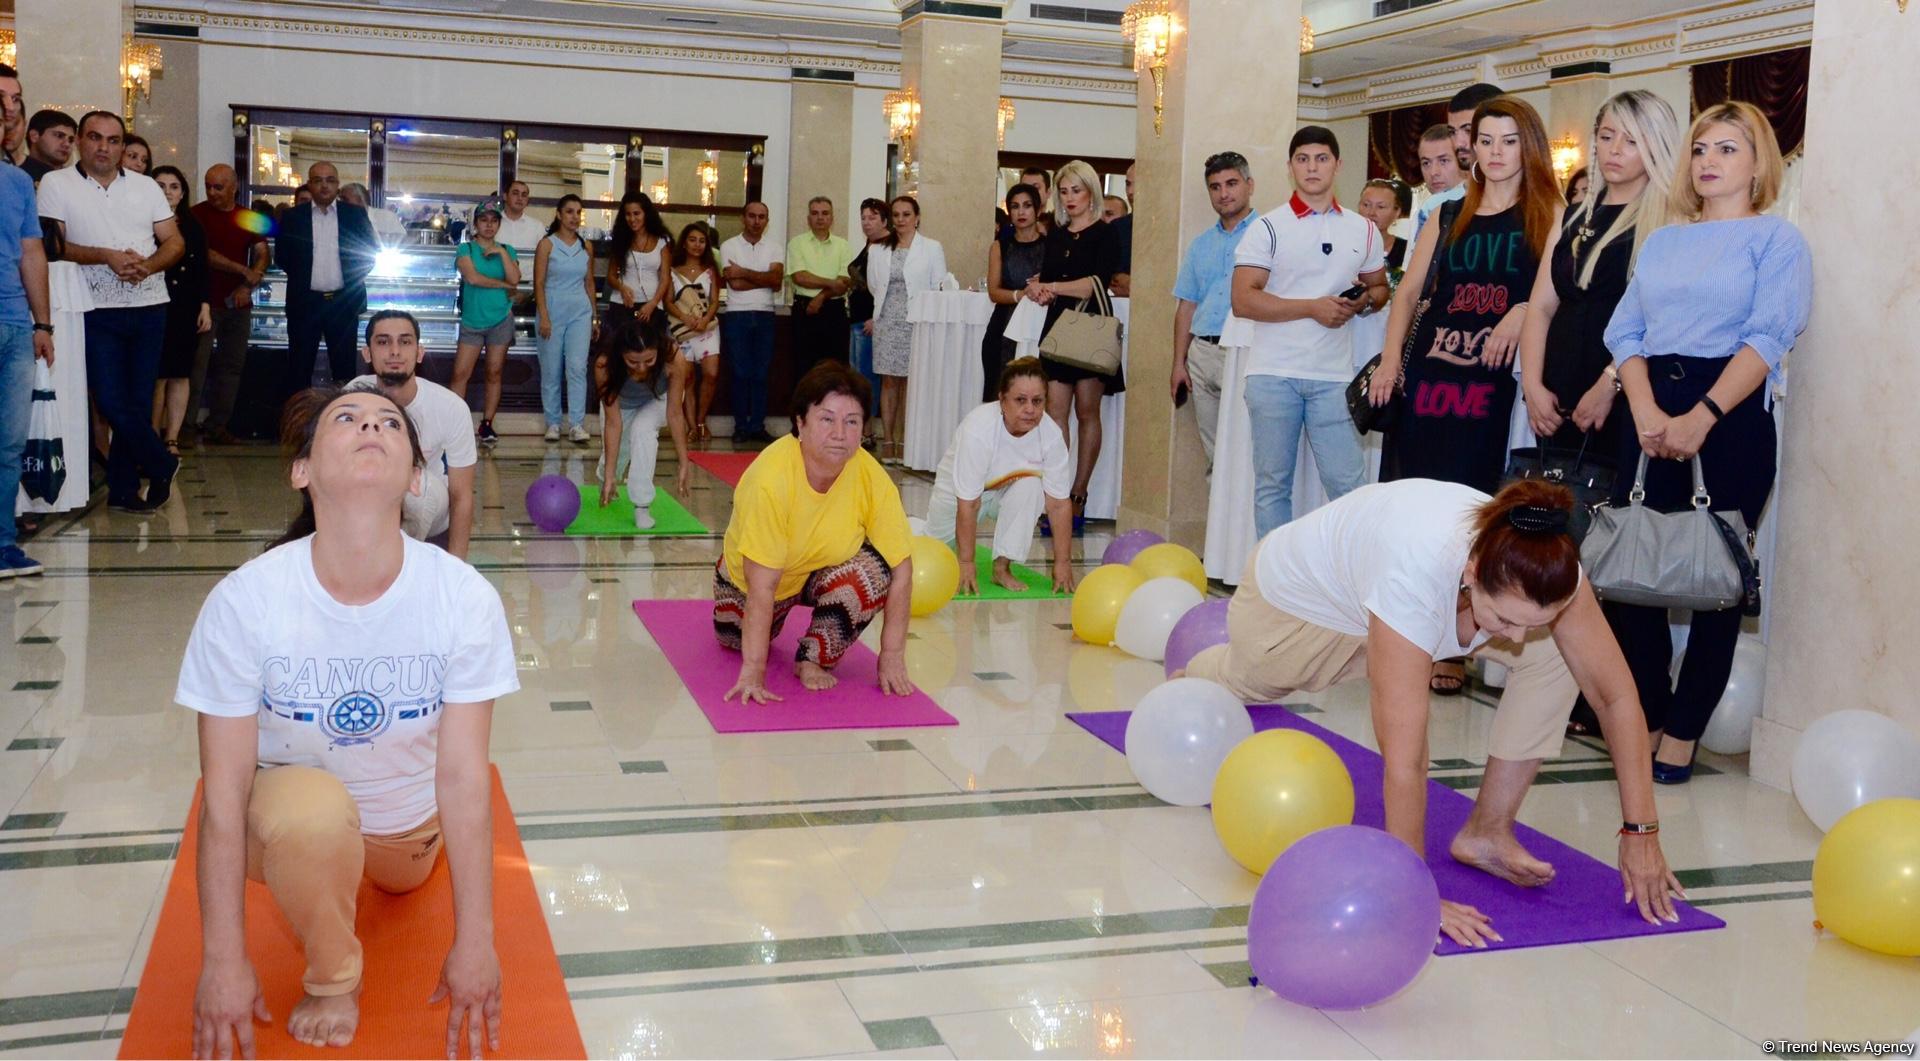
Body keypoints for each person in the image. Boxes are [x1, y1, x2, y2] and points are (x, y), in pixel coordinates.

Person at [1183, 478, 1683, 945]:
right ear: (1472, 573)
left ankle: (1487, 832)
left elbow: (1614, 696)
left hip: (1391, 596)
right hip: (1296, 609)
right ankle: (1191, 678)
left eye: (1533, 621)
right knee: (1248, 681)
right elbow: (1405, 758)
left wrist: (1642, 832)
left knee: (1553, 655)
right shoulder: (1418, 565)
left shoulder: (1548, 569)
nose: (1512, 637)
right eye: (1505, 618)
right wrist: (1415, 895)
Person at [178, 385, 516, 1058]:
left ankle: (363, 868)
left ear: (417, 477)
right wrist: (222, 958)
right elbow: (222, 794)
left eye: (391, 422)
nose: (371, 423)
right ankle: (334, 981)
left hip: (408, 828)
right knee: (314, 813)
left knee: (391, 856)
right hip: (284, 818)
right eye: (348, 418)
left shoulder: (462, 597)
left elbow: (462, 776)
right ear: (301, 470)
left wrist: (476, 939)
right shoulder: (246, 600)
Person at [1601, 100, 1812, 784]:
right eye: (1701, 150)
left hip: (1732, 419)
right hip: (1650, 410)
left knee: (1716, 580)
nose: (1709, 162)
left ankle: (1682, 734)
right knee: (1631, 580)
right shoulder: (1663, 241)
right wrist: (1642, 405)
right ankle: (1655, 713)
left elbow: (1768, 334)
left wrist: (1704, 414)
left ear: (1758, 164)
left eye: (1727, 148)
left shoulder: (1777, 242)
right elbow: (1624, 331)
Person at [1371, 95, 1560, 695]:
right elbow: (1406, 295)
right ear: (1469, 148)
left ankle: (1460, 641)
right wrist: (1388, 362)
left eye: (1509, 141)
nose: (1496, 153)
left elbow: (1559, 293)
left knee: (1476, 509)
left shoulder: (1551, 214)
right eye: (1485, 141)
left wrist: (1522, 310)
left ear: (1528, 146)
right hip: (1430, 376)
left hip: (1494, 388)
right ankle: (1412, 632)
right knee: (1416, 503)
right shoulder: (1447, 212)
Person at [716, 361, 914, 701]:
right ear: (800, 423)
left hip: (816, 571)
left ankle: (812, 658)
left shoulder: (869, 474)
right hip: (752, 587)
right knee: (733, 638)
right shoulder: (771, 479)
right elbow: (761, 586)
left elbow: (902, 569)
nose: (840, 433)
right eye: (827, 419)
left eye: (851, 422)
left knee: (874, 571)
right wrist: (754, 672)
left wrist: (892, 654)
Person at [1230, 126, 1388, 539]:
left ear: (1337, 165)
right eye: (1303, 159)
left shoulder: (1363, 229)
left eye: (1321, 159)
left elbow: (1380, 288)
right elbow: (1243, 300)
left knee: (1348, 488)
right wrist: (1311, 308)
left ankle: (1350, 583)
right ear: (1290, 167)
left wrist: (1362, 302)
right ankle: (1274, 587)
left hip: (1335, 376)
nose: (1312, 167)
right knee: (1271, 487)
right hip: (1273, 373)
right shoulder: (1267, 227)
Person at [35, 110, 183, 513]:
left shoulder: (145, 187)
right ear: (81, 141)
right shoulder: (56, 183)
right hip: (94, 307)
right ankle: (161, 462)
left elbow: (173, 242)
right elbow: (53, 246)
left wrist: (148, 265)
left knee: (134, 402)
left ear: (122, 146)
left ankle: (121, 490)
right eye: (96, 138)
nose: (104, 147)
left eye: (114, 140)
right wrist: (105, 257)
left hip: (150, 304)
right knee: (111, 399)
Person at [1520, 91, 1681, 458]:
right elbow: (1541, 307)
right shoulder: (1571, 215)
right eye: (1607, 137)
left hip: (1631, 393)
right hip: (1556, 395)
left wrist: (1611, 383)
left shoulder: (1671, 218)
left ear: (1656, 145)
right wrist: (1532, 385)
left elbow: (1662, 319)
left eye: (1631, 140)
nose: (1614, 150)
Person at [1026, 160, 1124, 532]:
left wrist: (1054, 286)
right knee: (1054, 415)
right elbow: (1051, 277)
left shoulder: (1104, 233)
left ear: (1090, 192)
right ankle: (1056, 495)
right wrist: (1038, 286)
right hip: (1058, 327)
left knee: (1087, 413)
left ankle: (1078, 494)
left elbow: (1093, 284)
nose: (1070, 198)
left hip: (1090, 327)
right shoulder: (1057, 235)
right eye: (1064, 191)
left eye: (1076, 191)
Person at [924, 358, 1076, 595]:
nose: (1030, 409)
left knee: (1032, 486)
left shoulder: (1051, 436)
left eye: (1037, 401)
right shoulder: (979, 429)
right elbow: (969, 503)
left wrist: (1063, 563)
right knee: (931, 550)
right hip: (958, 496)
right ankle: (911, 527)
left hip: (1004, 492)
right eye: (1020, 400)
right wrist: (965, 564)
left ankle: (1002, 567)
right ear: (1002, 400)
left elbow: (1058, 505)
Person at [347, 310, 478, 559]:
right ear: (367, 353)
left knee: (416, 492)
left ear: (419, 352)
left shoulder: (450, 407)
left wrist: (458, 568)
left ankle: (398, 567)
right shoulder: (352, 398)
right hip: (369, 497)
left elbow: (462, 495)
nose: (395, 351)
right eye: (383, 342)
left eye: (405, 342)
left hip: (428, 500)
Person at [0, 68, 56, 578]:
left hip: (16, 322)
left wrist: (43, 324)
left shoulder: (17, 182)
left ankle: (2, 541)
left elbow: (31, 253)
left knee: (10, 440)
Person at [1171, 151, 1257, 469]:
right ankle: (1218, 521)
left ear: (1249, 185)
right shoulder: (1200, 244)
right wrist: (1178, 363)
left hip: (1246, 352)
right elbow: (1187, 306)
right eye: (1215, 186)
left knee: (1247, 451)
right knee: (1215, 455)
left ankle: (1245, 521)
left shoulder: (1267, 235)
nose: (1224, 193)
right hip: (1202, 355)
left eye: (1231, 183)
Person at [275, 161, 378, 399]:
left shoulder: (354, 214)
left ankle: (346, 425)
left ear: (337, 185)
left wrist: (351, 281)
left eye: (330, 180)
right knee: (299, 370)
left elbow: (369, 253)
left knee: (344, 372)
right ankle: (298, 430)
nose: (324, 186)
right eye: (318, 180)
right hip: (305, 303)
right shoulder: (292, 217)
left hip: (343, 303)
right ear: (309, 184)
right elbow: (282, 256)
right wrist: (304, 278)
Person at [190, 164, 269, 446]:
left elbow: (262, 253)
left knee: (231, 367)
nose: (212, 192)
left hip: (237, 304)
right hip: (203, 303)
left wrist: (249, 284)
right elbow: (203, 254)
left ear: (234, 187)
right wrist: (242, 270)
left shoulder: (249, 217)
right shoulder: (195, 215)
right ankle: (185, 428)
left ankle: (218, 425)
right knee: (196, 367)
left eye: (218, 187)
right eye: (208, 186)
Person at [863, 195, 946, 464]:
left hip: (917, 321)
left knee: (911, 382)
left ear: (917, 217)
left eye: (906, 214)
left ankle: (906, 440)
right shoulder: (878, 249)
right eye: (896, 215)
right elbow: (875, 286)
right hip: (887, 319)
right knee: (889, 381)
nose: (901, 220)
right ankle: (888, 440)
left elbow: (938, 285)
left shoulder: (932, 248)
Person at [593, 313, 691, 531]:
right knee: (617, 459)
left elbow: (674, 413)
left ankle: (642, 505)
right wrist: (609, 475)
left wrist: (684, 461)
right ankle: (606, 480)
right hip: (622, 407)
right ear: (621, 355)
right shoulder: (604, 364)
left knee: (643, 430)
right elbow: (613, 423)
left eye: (649, 360)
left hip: (659, 400)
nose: (641, 368)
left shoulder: (673, 357)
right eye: (632, 362)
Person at [147, 165, 210, 457]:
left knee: (181, 373)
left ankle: (171, 437)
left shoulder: (193, 224)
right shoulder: (143, 220)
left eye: (174, 186)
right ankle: (151, 434)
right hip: (153, 304)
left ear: (182, 192)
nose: (167, 192)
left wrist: (205, 305)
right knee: (157, 374)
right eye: (160, 186)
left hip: (185, 307)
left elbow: (201, 268)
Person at [449, 195, 521, 449]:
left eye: (493, 221)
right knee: (461, 373)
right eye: (483, 220)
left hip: (500, 318)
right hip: (472, 320)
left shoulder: (507, 250)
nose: (489, 225)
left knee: (494, 372)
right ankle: (455, 423)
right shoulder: (465, 249)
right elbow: (473, 278)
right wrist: (503, 285)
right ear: (476, 224)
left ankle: (487, 423)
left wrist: (501, 253)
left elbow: (515, 278)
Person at [534, 193, 597, 445]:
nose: (574, 217)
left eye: (578, 212)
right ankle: (552, 422)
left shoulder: (586, 246)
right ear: (559, 214)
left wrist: (595, 316)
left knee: (577, 367)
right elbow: (538, 282)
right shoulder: (547, 244)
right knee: (551, 369)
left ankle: (577, 424)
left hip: (580, 311)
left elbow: (589, 282)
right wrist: (545, 317)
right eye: (569, 211)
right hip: (552, 307)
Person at [719, 200, 783, 443]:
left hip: (766, 313)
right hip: (737, 313)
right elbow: (733, 284)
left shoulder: (775, 247)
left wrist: (743, 272)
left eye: (762, 217)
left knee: (761, 373)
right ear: (743, 218)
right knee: (740, 372)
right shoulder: (729, 246)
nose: (757, 221)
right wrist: (764, 277)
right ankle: (741, 426)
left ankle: (757, 425)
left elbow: (776, 281)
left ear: (767, 220)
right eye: (752, 216)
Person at [1411, 83, 1505, 243]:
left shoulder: (1541, 205)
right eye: (1452, 132)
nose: (1458, 142)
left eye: (1468, 130)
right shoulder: (1439, 207)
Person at [983, 184, 1047, 402]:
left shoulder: (1051, 247)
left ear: (1038, 210)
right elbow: (993, 292)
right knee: (1000, 393)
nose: (1021, 212)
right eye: (1015, 206)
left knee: (1037, 393)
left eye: (1027, 206)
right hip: (1003, 328)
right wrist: (1022, 294)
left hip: (1040, 328)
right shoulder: (999, 246)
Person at [665, 220, 722, 442]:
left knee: (711, 374)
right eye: (692, 240)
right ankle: (690, 426)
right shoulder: (672, 271)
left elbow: (715, 300)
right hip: (683, 330)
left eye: (701, 241)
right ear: (684, 243)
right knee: (686, 378)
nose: (697, 245)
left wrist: (705, 318)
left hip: (707, 328)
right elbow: (668, 301)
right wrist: (686, 318)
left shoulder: (709, 271)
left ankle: (701, 421)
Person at [787, 196, 854, 377]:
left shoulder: (843, 245)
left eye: (825, 213)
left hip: (834, 312)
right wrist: (831, 283)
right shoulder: (796, 243)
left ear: (832, 218)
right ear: (808, 218)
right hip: (804, 310)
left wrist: (820, 297)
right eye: (815, 213)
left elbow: (844, 283)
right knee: (803, 368)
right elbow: (800, 277)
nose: (820, 218)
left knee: (835, 370)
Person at [847, 197, 888, 430]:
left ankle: (867, 429)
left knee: (867, 379)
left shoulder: (885, 247)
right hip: (856, 317)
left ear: (884, 220)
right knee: (856, 378)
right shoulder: (869, 245)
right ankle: (861, 426)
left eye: (872, 217)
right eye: (863, 218)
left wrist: (877, 318)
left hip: (869, 321)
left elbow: (884, 288)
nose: (866, 222)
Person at [607, 191, 670, 324]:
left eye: (636, 213)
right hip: (622, 303)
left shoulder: (661, 241)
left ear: (646, 214)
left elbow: (665, 278)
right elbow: (611, 276)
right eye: (628, 214)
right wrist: (622, 288)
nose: (632, 219)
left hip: (651, 304)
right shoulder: (620, 240)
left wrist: (653, 304)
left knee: (651, 345)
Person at [1357, 177, 1411, 275]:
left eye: (1380, 207)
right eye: (1366, 205)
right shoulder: (1344, 245)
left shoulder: (1408, 250)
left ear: (1397, 212)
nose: (1372, 213)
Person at [339, 182, 406, 246]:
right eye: (340, 200)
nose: (341, 203)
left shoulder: (386, 217)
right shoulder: (339, 218)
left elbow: (402, 242)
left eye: (345, 199)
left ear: (361, 199)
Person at [21, 108, 75, 184]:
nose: (67, 144)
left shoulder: (75, 180)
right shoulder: (14, 175)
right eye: (59, 136)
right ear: (34, 136)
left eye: (71, 140)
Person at [495, 180, 546, 257]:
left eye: (524, 195)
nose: (520, 198)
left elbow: (544, 257)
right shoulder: (493, 224)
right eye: (515, 193)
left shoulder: (537, 226)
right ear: (505, 196)